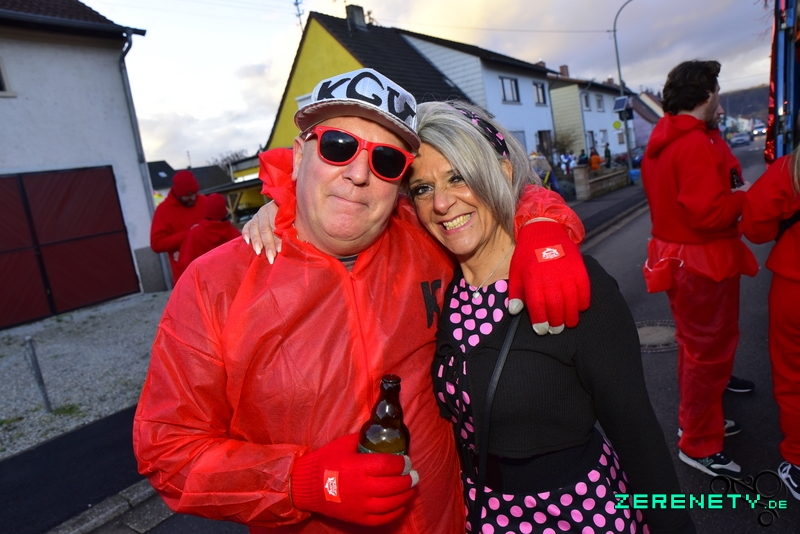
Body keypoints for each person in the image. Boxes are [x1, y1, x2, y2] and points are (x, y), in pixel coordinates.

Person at [133, 68, 590, 533]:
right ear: (299, 156)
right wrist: (301, 482)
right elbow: (167, 449)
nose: (357, 174)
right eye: (338, 146)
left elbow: (489, 190)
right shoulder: (215, 285)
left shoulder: (424, 237)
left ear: (399, 182)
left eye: (386, 160)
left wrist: (540, 226)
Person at [408, 100, 694, 533]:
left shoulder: (568, 279)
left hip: (578, 515)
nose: (442, 203)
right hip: (479, 514)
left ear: (501, 173)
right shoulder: (440, 288)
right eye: (422, 188)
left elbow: (638, 436)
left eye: (458, 177)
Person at [641, 60, 758, 478]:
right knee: (707, 352)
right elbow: (708, 214)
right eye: (717, 92)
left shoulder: (668, 139)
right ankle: (698, 441)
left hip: (683, 259)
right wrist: (743, 197)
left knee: (696, 350)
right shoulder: (692, 144)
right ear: (706, 94)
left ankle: (697, 421)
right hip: (702, 262)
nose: (719, 99)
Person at [741, 150, 800, 500]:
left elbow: (756, 228)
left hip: (795, 286)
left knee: (793, 378)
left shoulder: (789, 169)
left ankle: (798, 459)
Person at [149, 169, 208, 281]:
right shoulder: (163, 211)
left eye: (195, 193)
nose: (193, 198)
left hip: (211, 267)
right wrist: (188, 235)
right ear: (178, 194)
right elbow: (156, 243)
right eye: (188, 195)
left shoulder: (204, 202)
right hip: (185, 275)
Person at [173, 193, 241, 281]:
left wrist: (180, 257)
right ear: (225, 210)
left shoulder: (195, 233)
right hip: (230, 283)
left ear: (206, 209)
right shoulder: (235, 235)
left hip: (204, 283)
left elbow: (185, 263)